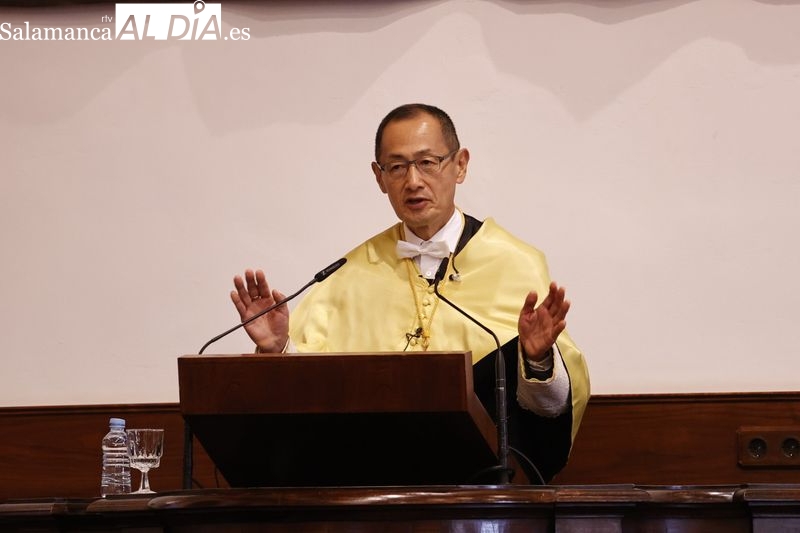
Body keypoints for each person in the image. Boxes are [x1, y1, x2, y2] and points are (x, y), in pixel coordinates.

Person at [230, 103, 590, 483]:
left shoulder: (515, 263)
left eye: (428, 162)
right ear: (379, 177)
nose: (413, 181)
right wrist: (279, 350)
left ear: (460, 164)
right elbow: (317, 397)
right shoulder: (349, 274)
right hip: (371, 491)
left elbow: (549, 411)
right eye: (397, 167)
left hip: (479, 494)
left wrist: (536, 361)